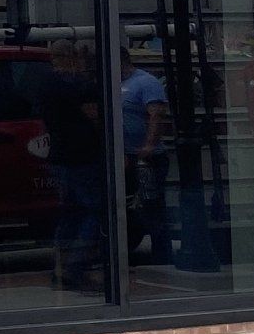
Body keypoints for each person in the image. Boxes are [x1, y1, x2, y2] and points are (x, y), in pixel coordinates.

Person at [35, 38, 105, 293]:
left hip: (60, 154)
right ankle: (76, 268)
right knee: (94, 210)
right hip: (82, 155)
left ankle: (59, 268)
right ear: (72, 56)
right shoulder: (76, 85)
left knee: (69, 213)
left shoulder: (45, 83)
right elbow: (95, 115)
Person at [120, 42, 173, 264]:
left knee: (151, 204)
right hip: (125, 155)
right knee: (128, 204)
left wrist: (149, 146)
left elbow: (156, 116)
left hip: (146, 156)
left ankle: (162, 253)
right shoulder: (112, 82)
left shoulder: (145, 83)